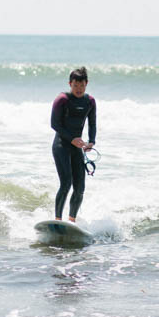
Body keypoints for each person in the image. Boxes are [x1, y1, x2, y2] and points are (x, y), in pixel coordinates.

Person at [50, 66, 96, 222]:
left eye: (82, 85)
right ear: (70, 84)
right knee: (66, 183)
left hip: (76, 148)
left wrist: (91, 141)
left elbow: (92, 124)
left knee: (80, 188)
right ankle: (57, 220)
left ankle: (71, 221)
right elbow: (54, 124)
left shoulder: (89, 101)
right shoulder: (62, 99)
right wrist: (72, 139)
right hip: (61, 146)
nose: (79, 89)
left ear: (86, 84)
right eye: (75, 85)